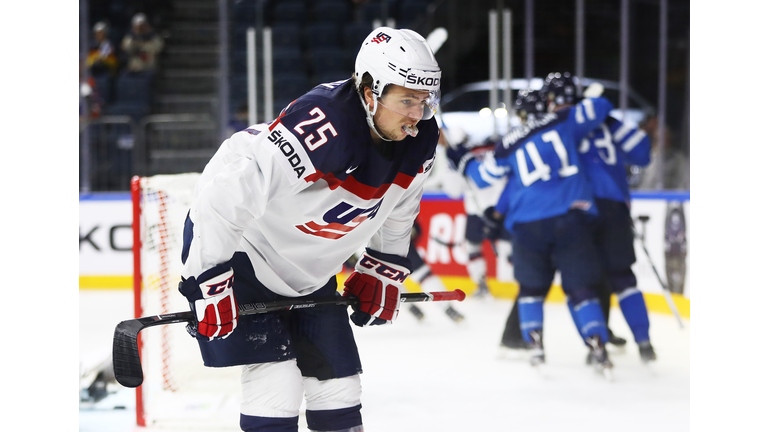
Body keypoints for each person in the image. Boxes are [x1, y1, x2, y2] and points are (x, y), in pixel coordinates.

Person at [178, 27, 441, 432]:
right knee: (276, 384)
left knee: (338, 386)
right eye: (406, 99)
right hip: (244, 253)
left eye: (423, 100)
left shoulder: (421, 136)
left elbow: (400, 204)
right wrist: (208, 277)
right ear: (369, 91)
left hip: (311, 272)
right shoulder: (322, 126)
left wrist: (382, 264)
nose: (416, 115)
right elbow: (226, 196)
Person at [448, 81, 615, 373]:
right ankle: (597, 346)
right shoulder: (564, 120)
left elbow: (483, 177)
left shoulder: (508, 143)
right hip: (570, 219)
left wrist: (460, 158)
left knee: (531, 289)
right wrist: (579, 101)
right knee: (581, 290)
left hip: (528, 226)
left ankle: (535, 347)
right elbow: (601, 108)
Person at [561, 77, 657, 364]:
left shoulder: (562, 124)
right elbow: (643, 152)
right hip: (615, 207)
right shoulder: (609, 122)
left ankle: (597, 348)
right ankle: (645, 344)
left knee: (581, 284)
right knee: (624, 279)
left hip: (579, 209)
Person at [440, 125, 509, 297]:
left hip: (478, 210)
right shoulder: (490, 146)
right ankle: (518, 284)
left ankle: (481, 284)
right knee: (509, 248)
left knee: (473, 247)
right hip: (502, 206)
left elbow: (454, 191)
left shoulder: (458, 157)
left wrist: (450, 166)